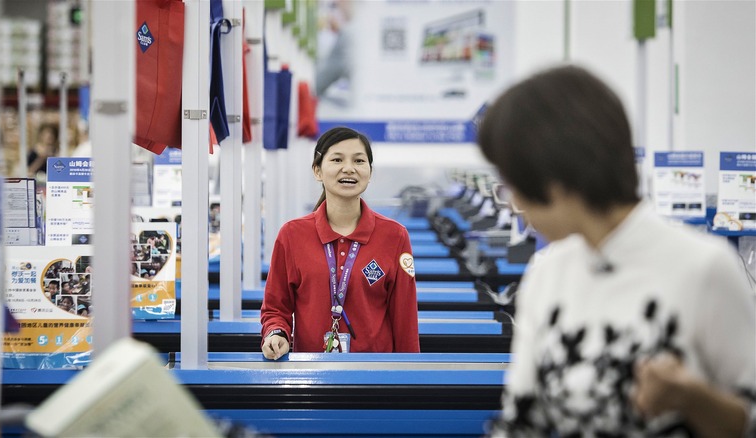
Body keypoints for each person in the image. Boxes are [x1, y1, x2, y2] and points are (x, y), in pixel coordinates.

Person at [477, 65, 755, 437]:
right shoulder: (546, 272)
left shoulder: (704, 268)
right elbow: (521, 420)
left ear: (555, 180)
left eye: (513, 184)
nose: (512, 204)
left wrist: (695, 399)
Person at [260, 126, 420, 360]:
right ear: (317, 170)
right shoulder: (292, 235)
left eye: (359, 161)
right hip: (310, 374)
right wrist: (277, 333)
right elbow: (276, 307)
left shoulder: (395, 236)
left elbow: (404, 317)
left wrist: (410, 379)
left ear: (370, 171)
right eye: (337, 159)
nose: (349, 168)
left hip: (375, 376)